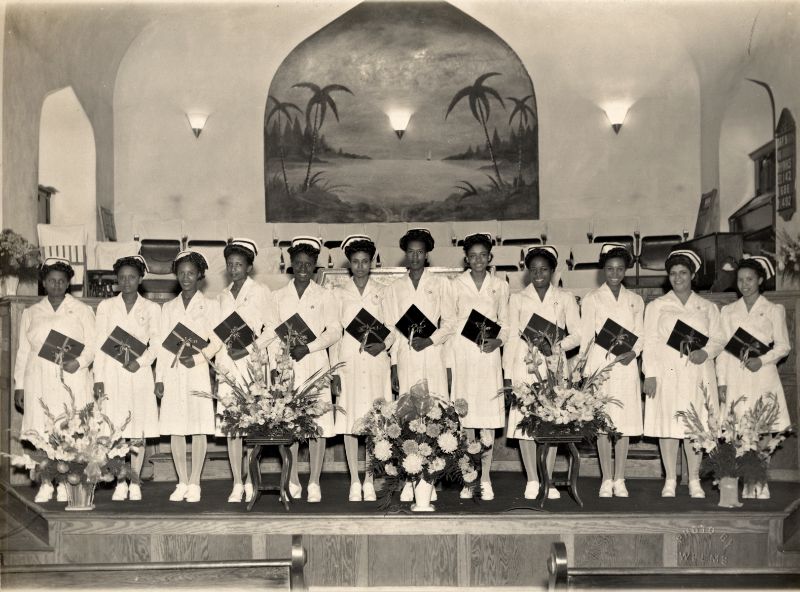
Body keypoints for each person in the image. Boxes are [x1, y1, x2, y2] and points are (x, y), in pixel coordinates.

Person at [14, 258, 95, 503]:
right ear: (43, 282)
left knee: (67, 429)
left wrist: (78, 363)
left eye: (61, 281)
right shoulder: (32, 312)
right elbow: (23, 351)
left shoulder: (82, 309)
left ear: (68, 283)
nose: (56, 285)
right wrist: (20, 384)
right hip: (38, 377)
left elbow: (92, 346)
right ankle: (46, 482)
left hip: (69, 377)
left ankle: (65, 482)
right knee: (41, 429)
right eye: (51, 280)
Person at [643, 248, 722, 499]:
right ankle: (669, 480)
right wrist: (650, 374)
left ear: (692, 275)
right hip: (667, 372)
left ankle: (695, 479)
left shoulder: (707, 307)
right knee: (669, 426)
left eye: (683, 273)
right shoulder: (658, 305)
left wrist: (707, 352)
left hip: (698, 371)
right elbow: (650, 341)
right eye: (673, 274)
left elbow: (720, 338)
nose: (678, 278)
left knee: (694, 424)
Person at [503, 246, 581, 500]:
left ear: (552, 271)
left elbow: (578, 335)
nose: (538, 274)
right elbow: (513, 337)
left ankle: (547, 479)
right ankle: (533, 480)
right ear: (527, 272)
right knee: (525, 423)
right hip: (524, 366)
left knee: (552, 423)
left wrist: (556, 346)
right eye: (534, 269)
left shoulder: (565, 297)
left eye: (544, 269)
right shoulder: (517, 299)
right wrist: (507, 373)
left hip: (554, 366)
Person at [384, 228, 456, 502]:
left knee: (434, 414)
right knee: (407, 415)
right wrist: (392, 362)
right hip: (405, 356)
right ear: (405, 254)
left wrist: (431, 340)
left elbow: (449, 322)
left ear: (427, 255)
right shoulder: (395, 288)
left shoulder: (441, 284)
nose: (415, 257)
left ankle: (430, 478)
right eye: (410, 252)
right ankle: (409, 477)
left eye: (420, 252)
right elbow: (391, 327)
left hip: (432, 354)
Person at [271, 236, 341, 503]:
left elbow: (335, 331)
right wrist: (276, 367)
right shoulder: (277, 297)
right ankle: (291, 478)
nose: (303, 268)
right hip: (287, 366)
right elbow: (272, 334)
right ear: (291, 264)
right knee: (288, 424)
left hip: (315, 363)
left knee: (317, 425)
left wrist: (309, 348)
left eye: (308, 264)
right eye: (298, 263)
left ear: (315, 267)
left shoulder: (325, 295)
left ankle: (313, 481)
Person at [716, 256, 790, 499]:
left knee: (762, 428)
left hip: (762, 375)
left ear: (760, 280)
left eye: (750, 279)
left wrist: (762, 360)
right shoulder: (728, 311)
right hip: (736, 376)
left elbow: (783, 347)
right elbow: (724, 351)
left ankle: (762, 480)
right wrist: (722, 382)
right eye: (740, 280)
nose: (745, 284)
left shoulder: (772, 309)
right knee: (739, 427)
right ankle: (748, 480)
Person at [215, 238, 279, 503]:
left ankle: (252, 479)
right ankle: (237, 482)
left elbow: (273, 327)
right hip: (228, 364)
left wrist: (249, 348)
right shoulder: (221, 295)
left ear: (249, 267)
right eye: (230, 264)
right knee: (232, 425)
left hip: (251, 363)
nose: (234, 269)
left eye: (239, 264)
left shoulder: (261, 291)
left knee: (252, 425)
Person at [331, 235, 394, 502]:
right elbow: (334, 332)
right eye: (355, 262)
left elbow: (393, 329)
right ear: (349, 263)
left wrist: (384, 345)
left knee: (373, 422)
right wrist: (334, 370)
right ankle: (354, 481)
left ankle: (369, 478)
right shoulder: (338, 292)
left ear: (372, 263)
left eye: (365, 262)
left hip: (375, 360)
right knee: (350, 421)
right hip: (349, 360)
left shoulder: (384, 290)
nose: (360, 266)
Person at [93, 255, 161, 501]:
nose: (127, 282)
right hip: (112, 373)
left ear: (140, 279)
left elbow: (156, 345)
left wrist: (140, 361)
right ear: (117, 280)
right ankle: (121, 479)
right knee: (117, 429)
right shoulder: (105, 307)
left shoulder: (152, 308)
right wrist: (98, 377)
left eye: (132, 277)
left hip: (139, 373)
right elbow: (99, 343)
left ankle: (135, 481)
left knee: (137, 428)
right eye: (122, 277)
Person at [578, 244, 644, 498]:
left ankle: (621, 478)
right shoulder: (592, 298)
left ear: (626, 270)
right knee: (603, 423)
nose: (614, 273)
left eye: (619, 269)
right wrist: (583, 373)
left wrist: (634, 352)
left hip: (626, 365)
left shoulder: (635, 300)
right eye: (609, 268)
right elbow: (586, 337)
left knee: (623, 423)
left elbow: (641, 335)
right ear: (603, 270)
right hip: (600, 364)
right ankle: (606, 478)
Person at [156, 250, 222, 503]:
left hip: (196, 371)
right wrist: (159, 378)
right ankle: (181, 480)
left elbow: (216, 341)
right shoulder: (168, 307)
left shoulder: (211, 305)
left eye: (191, 273)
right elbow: (163, 345)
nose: (186, 278)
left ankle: (195, 482)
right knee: (175, 427)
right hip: (172, 371)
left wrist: (195, 358)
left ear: (200, 276)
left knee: (197, 426)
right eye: (181, 273)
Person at [447, 233, 508, 501]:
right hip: (464, 355)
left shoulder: (501, 285)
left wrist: (498, 340)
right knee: (467, 418)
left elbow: (506, 323)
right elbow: (449, 323)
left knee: (487, 419)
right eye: (473, 256)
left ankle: (485, 477)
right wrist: (450, 363)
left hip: (488, 356)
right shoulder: (454, 285)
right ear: (466, 259)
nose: (478, 260)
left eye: (483, 255)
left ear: (490, 257)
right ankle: (468, 475)